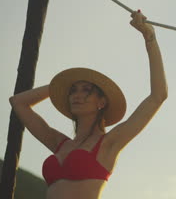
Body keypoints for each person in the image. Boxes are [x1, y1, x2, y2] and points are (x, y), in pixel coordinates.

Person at [9, 10, 167, 199]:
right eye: (73, 90)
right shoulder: (58, 143)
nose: (77, 95)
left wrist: (150, 38)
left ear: (101, 102)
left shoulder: (109, 143)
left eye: (85, 90)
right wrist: (59, 84)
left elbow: (158, 96)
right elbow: (18, 102)